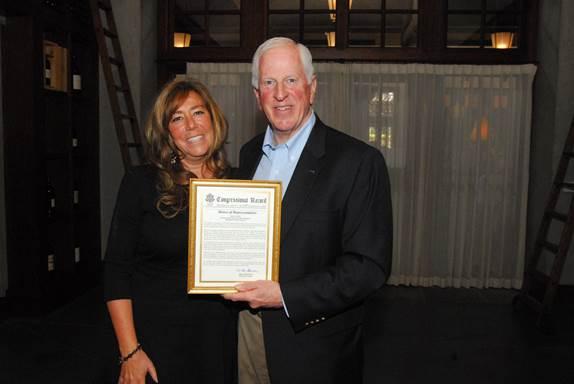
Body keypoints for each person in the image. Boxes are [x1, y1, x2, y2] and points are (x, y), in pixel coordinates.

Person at [223, 37, 393, 384]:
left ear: (311, 87)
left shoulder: (358, 161)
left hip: (315, 350)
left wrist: (284, 295)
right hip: (248, 336)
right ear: (257, 96)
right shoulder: (248, 153)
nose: (280, 93)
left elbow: (368, 268)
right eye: (269, 82)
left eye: (291, 80)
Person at [103, 78, 237, 384]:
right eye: (178, 118)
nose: (191, 125)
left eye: (198, 113)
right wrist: (129, 350)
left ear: (213, 118)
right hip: (154, 341)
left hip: (217, 342)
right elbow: (116, 270)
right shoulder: (140, 183)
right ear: (167, 134)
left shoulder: (241, 184)